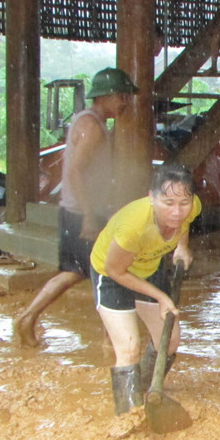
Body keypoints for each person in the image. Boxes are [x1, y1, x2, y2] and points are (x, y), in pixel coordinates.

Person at [13, 67, 138, 347]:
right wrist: (89, 216)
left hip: (82, 210)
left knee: (76, 272)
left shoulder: (89, 122)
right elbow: (76, 172)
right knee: (106, 273)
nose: (125, 103)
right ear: (104, 96)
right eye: (121, 96)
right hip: (83, 213)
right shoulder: (92, 127)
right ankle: (113, 340)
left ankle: (28, 317)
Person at [89, 164, 201, 416]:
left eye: (183, 202)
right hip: (111, 275)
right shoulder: (134, 225)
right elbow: (116, 271)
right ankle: (128, 416)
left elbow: (186, 221)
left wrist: (182, 246)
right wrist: (161, 297)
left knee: (170, 340)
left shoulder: (191, 207)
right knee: (129, 347)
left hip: (148, 270)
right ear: (151, 197)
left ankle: (145, 391)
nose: (176, 211)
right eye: (168, 202)